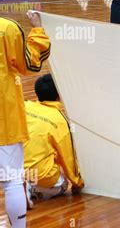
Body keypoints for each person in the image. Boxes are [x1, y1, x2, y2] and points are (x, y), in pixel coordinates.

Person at [0, 11, 50, 228]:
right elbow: (30, 64)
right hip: (4, 119)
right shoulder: (7, 28)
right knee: (12, 182)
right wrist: (37, 29)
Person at [24, 75, 84, 206]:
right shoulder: (59, 120)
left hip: (12, 171)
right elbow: (68, 157)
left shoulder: (25, 106)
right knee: (63, 184)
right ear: (58, 94)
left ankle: (20, 187)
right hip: (40, 177)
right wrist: (77, 183)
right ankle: (33, 189)